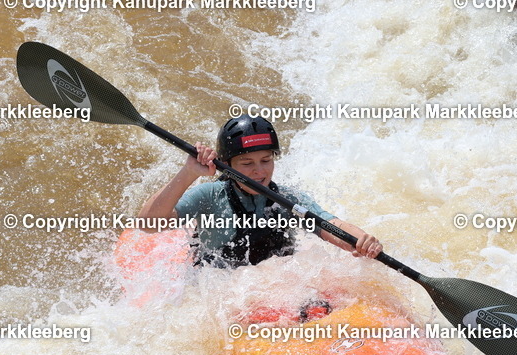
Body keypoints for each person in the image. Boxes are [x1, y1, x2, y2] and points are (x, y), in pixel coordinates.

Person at [137, 115, 382, 268]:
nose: (258, 171)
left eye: (266, 160)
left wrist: (360, 240)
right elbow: (148, 224)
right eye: (247, 164)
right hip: (221, 290)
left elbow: (330, 224)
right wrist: (189, 172)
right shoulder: (210, 196)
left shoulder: (288, 200)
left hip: (272, 286)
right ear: (228, 165)